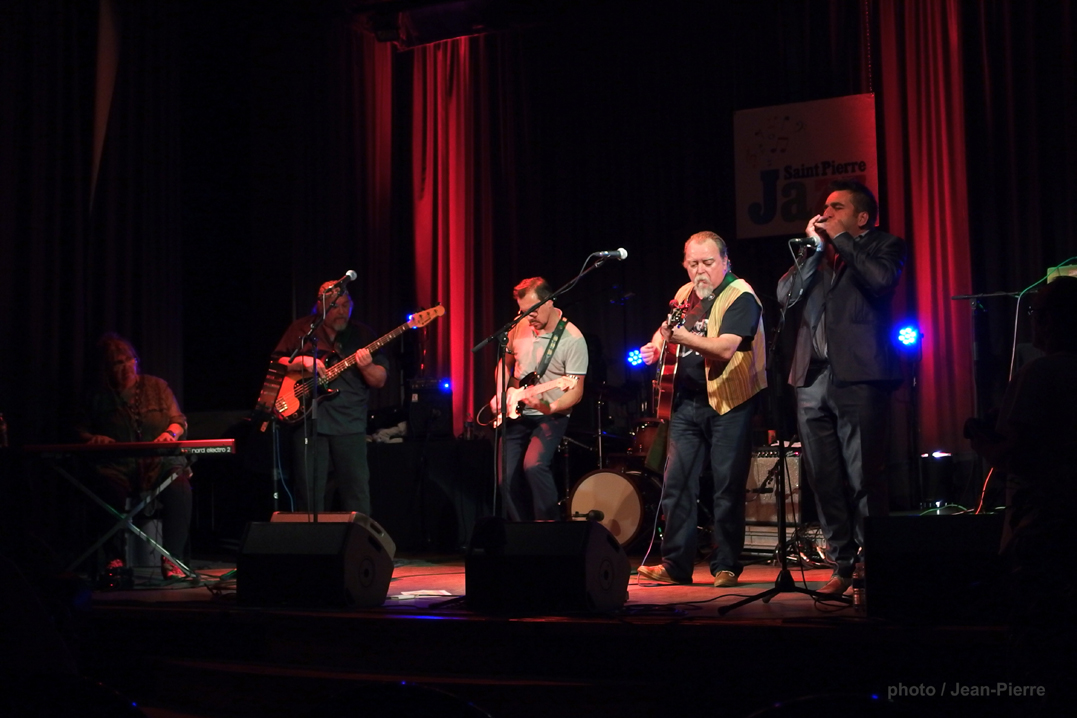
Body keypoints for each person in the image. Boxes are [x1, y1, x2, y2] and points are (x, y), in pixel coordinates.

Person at [776, 180, 906, 595]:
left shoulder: (884, 245)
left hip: (859, 377)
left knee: (864, 474)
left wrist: (842, 242)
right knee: (823, 477)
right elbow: (784, 296)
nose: (825, 213)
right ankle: (842, 564)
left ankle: (874, 565)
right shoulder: (819, 255)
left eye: (836, 208)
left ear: (862, 217)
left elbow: (881, 281)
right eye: (825, 208)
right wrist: (814, 252)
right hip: (811, 377)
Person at [636, 231, 767, 587]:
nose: (700, 271)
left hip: (730, 403)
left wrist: (681, 338)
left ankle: (726, 566)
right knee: (676, 484)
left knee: (726, 487)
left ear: (725, 261)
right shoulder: (685, 293)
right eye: (693, 264)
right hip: (687, 402)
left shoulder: (741, 295)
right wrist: (655, 346)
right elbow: (666, 330)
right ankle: (675, 565)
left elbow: (724, 348)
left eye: (708, 263)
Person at [74, 333, 192, 580]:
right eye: (119, 363)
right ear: (106, 368)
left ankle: (173, 560)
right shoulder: (97, 396)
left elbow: (178, 420)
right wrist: (94, 439)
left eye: (130, 360)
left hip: (159, 461)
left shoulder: (157, 386)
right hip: (117, 463)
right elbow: (79, 431)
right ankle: (114, 560)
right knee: (107, 490)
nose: (127, 367)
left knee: (179, 486)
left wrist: (170, 433)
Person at [273, 280, 388, 515]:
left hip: (349, 422)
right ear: (321, 305)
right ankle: (311, 538)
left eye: (346, 305)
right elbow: (277, 363)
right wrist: (302, 361)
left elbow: (380, 380)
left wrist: (367, 367)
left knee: (356, 493)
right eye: (335, 306)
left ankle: (357, 538)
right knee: (309, 495)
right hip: (308, 420)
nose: (342, 311)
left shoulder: (363, 334)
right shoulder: (301, 330)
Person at [491, 277, 587, 521]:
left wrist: (550, 406)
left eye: (532, 311)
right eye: (523, 312)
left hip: (551, 415)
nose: (528, 317)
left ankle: (548, 528)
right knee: (504, 479)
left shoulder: (573, 338)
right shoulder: (519, 325)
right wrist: (501, 393)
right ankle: (523, 534)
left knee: (534, 466)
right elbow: (505, 363)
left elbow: (576, 391)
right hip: (517, 412)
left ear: (549, 302)